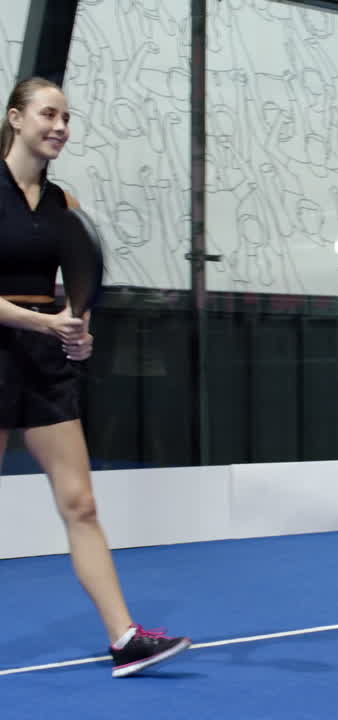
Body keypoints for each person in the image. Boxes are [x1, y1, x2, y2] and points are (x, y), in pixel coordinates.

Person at [0, 76, 191, 676]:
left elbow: (77, 285)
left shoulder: (63, 207)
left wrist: (77, 333)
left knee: (81, 504)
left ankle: (124, 637)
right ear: (16, 118)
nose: (60, 126)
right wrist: (46, 324)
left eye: (66, 117)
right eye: (48, 115)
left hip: (43, 357)